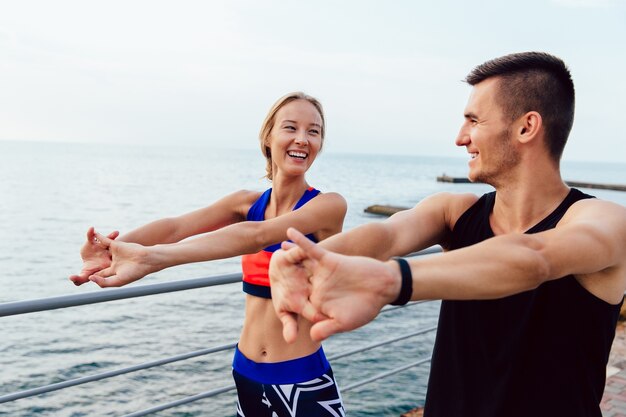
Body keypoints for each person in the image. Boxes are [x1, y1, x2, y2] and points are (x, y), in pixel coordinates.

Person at [269, 52, 626, 417]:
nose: (460, 138)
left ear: (526, 127)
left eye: (473, 120)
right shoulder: (456, 213)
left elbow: (534, 257)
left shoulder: (604, 220)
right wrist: (303, 260)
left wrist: (390, 281)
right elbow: (386, 235)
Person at [69, 92, 348, 417]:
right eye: (291, 128)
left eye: (313, 131)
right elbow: (176, 227)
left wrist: (154, 258)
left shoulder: (328, 206)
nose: (302, 139)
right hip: (246, 374)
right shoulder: (247, 203)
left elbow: (256, 236)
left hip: (302, 379)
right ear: (268, 136)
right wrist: (112, 249)